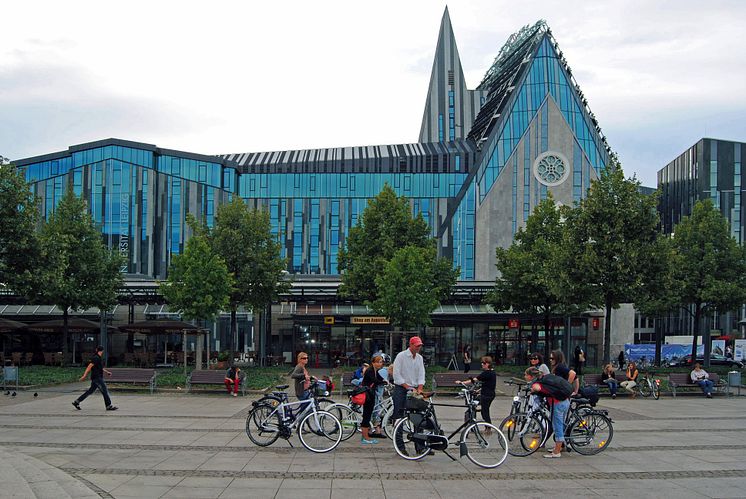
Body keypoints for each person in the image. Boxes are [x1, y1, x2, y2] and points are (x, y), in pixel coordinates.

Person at [524, 366, 572, 459]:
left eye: (525, 375)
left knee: (557, 426)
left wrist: (532, 390)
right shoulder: (545, 377)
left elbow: (537, 388)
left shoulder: (537, 383)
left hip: (558, 404)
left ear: (531, 376)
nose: (524, 376)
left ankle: (557, 452)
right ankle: (561, 446)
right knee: (560, 425)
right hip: (564, 401)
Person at [72, 346, 118, 411]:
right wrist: (84, 376)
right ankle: (108, 406)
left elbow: (99, 367)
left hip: (96, 378)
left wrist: (107, 372)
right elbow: (89, 367)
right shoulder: (96, 358)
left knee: (90, 391)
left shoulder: (97, 358)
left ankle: (76, 402)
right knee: (105, 391)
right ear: (102, 351)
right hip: (97, 378)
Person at [392, 336, 426, 421]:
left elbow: (421, 374)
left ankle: (417, 433)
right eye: (417, 346)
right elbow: (396, 374)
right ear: (410, 345)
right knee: (399, 413)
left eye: (420, 346)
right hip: (401, 387)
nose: (418, 348)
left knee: (417, 413)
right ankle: (397, 433)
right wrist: (406, 386)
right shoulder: (401, 356)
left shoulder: (419, 358)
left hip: (414, 388)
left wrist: (420, 387)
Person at [456, 356, 496, 424]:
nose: (482, 364)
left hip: (487, 395)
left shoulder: (487, 373)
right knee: (480, 408)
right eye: (482, 363)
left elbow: (474, 380)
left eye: (483, 363)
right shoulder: (492, 372)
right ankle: (475, 420)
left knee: (484, 411)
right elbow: (489, 384)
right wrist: (479, 390)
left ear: (488, 364)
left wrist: (462, 382)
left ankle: (488, 427)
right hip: (489, 394)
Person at [360, 355, 388, 444]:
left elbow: (380, 378)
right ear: (373, 363)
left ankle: (365, 436)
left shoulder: (376, 371)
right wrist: (382, 382)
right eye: (378, 362)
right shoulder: (370, 370)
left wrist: (386, 382)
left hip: (371, 394)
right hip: (367, 395)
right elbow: (375, 380)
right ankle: (365, 437)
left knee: (368, 414)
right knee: (367, 415)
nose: (380, 363)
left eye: (381, 362)